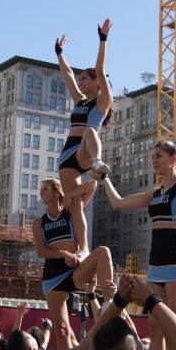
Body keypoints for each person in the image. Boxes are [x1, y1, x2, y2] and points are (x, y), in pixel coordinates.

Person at [100, 139, 176, 350]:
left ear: (174, 159)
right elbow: (118, 203)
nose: (153, 161)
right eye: (152, 157)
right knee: (156, 328)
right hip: (156, 265)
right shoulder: (153, 194)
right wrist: (104, 178)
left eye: (158, 156)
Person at [54, 20, 114, 251]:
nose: (80, 81)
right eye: (81, 79)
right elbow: (67, 74)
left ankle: (97, 164)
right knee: (75, 204)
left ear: (97, 82)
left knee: (90, 129)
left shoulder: (102, 102)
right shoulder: (79, 100)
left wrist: (103, 39)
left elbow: (100, 68)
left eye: (85, 78)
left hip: (87, 151)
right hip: (68, 154)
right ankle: (83, 248)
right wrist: (60, 53)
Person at [34, 178, 115, 348]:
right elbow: (41, 251)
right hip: (53, 277)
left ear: (57, 192)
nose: (41, 191)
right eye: (41, 189)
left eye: (46, 188)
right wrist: (62, 253)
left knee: (103, 252)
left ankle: (108, 302)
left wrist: (67, 195)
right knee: (62, 331)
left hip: (74, 269)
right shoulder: (39, 222)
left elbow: (92, 184)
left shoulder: (71, 211)